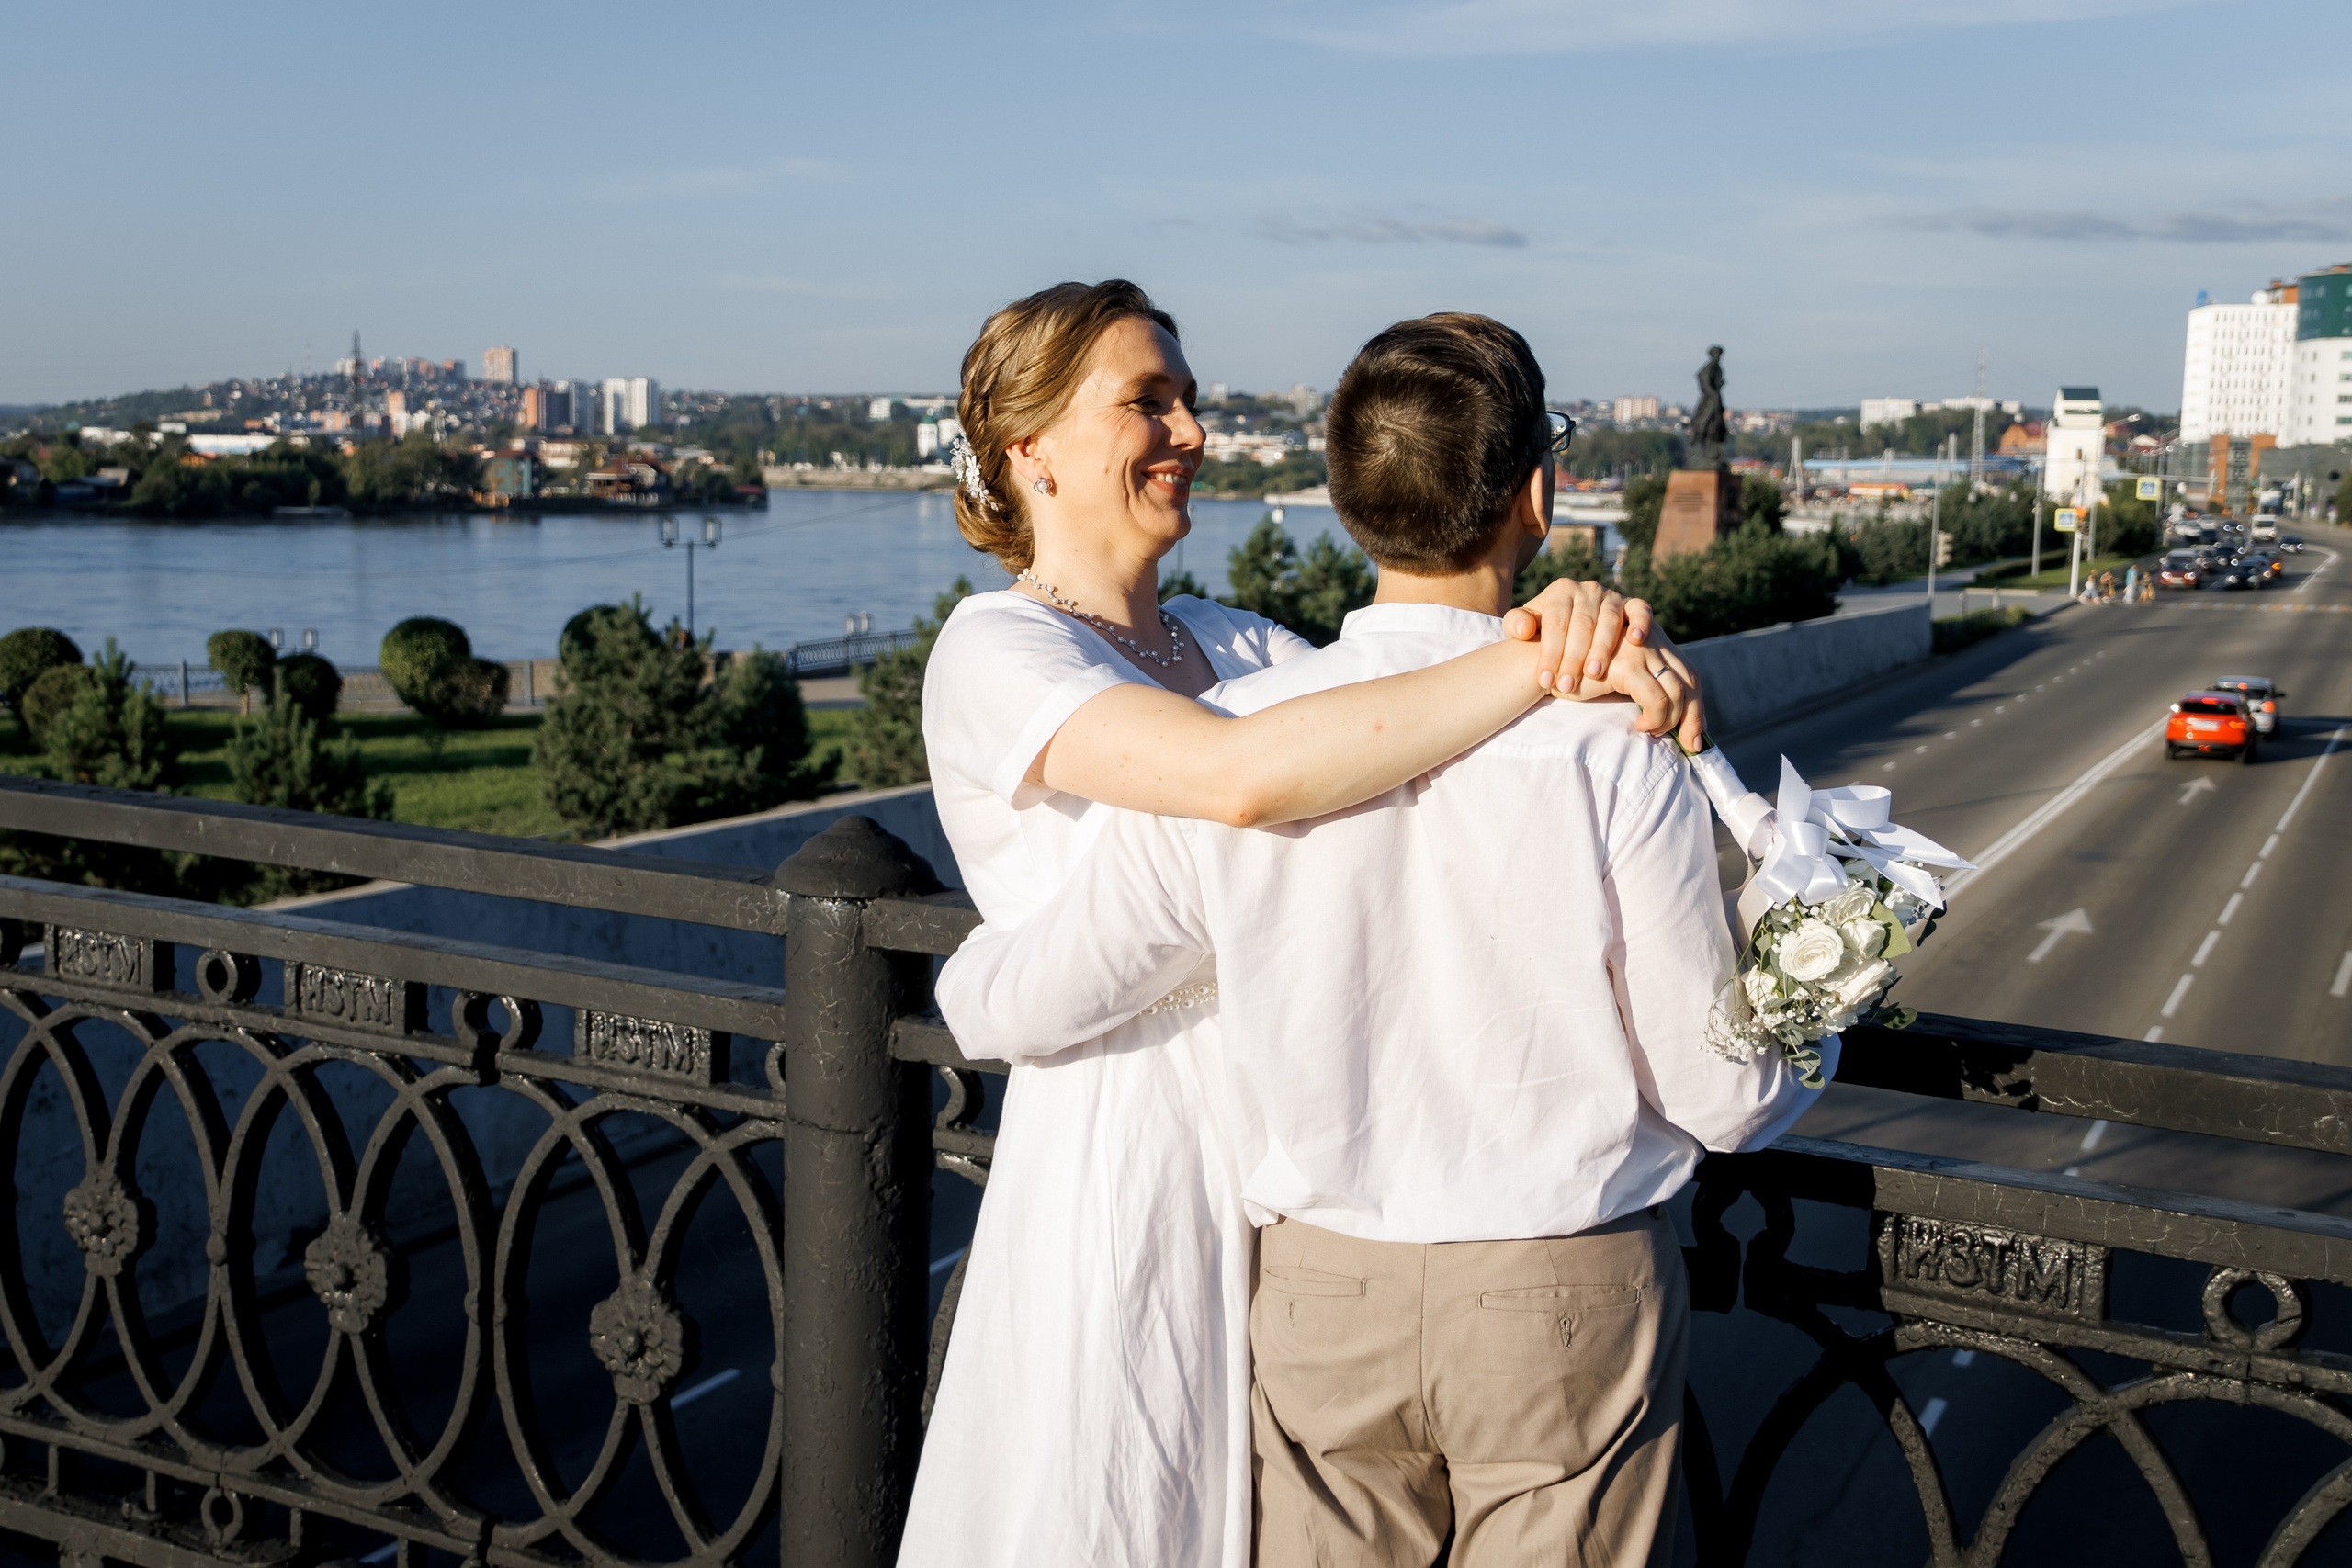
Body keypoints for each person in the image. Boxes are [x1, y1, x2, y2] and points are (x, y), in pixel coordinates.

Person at [936, 313, 1828, 1567]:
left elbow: (1303, 766)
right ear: (1535, 491)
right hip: (1431, 1255)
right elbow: (1720, 1090)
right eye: (1152, 401)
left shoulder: (1247, 668)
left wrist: (1558, 636)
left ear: (1350, 503)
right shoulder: (1575, 746)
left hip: (1309, 1268)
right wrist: (1555, 660)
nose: (1188, 429)